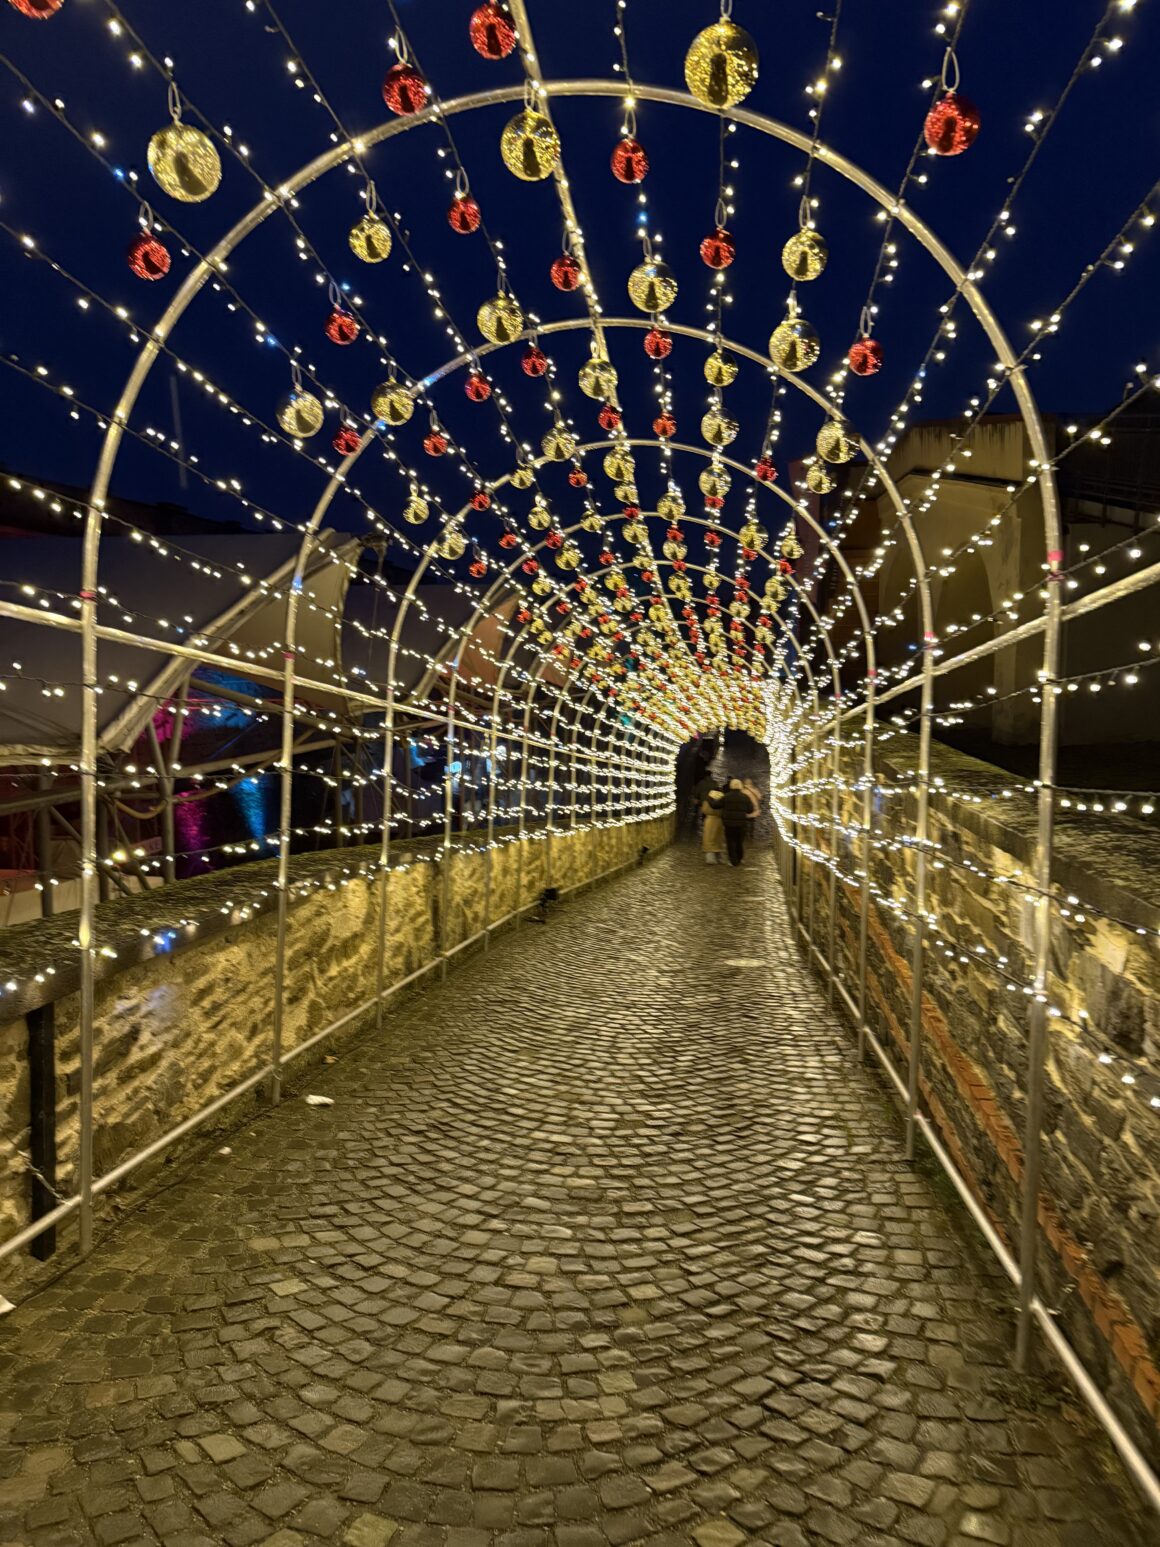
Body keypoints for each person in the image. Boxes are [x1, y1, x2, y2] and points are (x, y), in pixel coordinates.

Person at [719, 778, 758, 867]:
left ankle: (733, 860)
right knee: (739, 841)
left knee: (730, 841)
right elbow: (750, 809)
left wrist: (711, 799)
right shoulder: (745, 797)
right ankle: (739, 858)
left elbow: (716, 805)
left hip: (729, 824)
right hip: (741, 823)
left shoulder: (726, 796)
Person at [700, 787, 726, 864]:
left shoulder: (708, 799)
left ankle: (710, 858)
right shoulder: (723, 799)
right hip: (719, 820)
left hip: (710, 820)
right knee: (718, 839)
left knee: (709, 838)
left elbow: (704, 810)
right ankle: (719, 857)